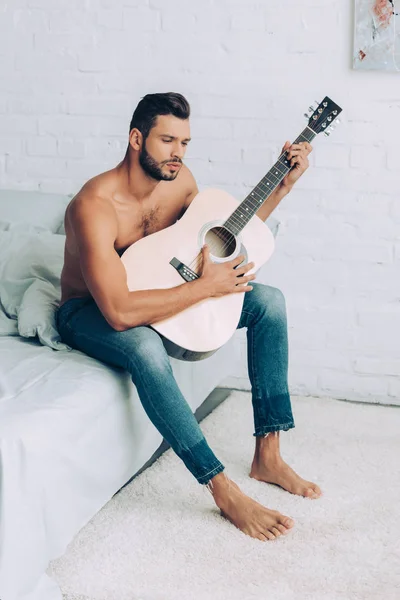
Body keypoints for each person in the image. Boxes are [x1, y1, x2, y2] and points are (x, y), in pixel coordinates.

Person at [57, 92, 322, 543]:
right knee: (142, 346)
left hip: (163, 291)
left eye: (184, 142)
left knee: (269, 301)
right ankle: (220, 486)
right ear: (136, 138)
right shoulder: (95, 205)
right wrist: (203, 289)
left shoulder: (180, 183)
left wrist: (284, 185)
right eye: (167, 140)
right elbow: (119, 312)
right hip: (91, 311)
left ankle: (269, 453)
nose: (178, 153)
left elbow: (219, 234)